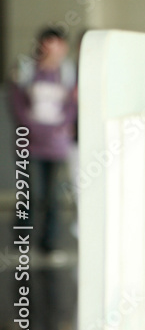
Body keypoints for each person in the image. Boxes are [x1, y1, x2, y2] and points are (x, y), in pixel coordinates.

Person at [8, 26, 78, 255]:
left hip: (56, 144)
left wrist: (58, 129)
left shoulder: (67, 74)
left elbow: (71, 107)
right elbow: (17, 105)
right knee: (28, 190)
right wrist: (34, 129)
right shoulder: (26, 71)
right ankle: (22, 236)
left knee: (52, 194)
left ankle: (49, 239)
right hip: (29, 142)